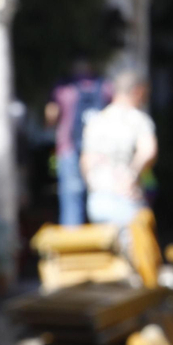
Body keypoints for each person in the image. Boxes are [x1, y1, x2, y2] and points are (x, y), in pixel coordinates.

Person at [80, 67, 158, 227]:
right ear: (138, 91)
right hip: (126, 200)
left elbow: (85, 161)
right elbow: (149, 150)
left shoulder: (96, 121)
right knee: (136, 249)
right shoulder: (138, 119)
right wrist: (132, 175)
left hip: (98, 202)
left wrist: (96, 187)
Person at [45, 60, 109, 226]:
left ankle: (73, 246)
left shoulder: (64, 87)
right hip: (100, 150)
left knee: (72, 199)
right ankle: (104, 245)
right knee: (103, 197)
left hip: (69, 148)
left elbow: (51, 116)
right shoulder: (104, 86)